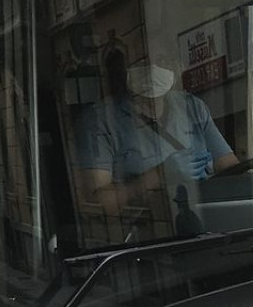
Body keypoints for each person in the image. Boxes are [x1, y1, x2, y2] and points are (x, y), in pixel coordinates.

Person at [74, 47, 239, 218]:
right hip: (150, 232)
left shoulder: (192, 106)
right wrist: (158, 176)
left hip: (206, 219)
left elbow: (230, 167)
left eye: (162, 61)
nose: (153, 69)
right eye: (143, 62)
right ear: (126, 69)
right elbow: (99, 203)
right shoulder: (99, 121)